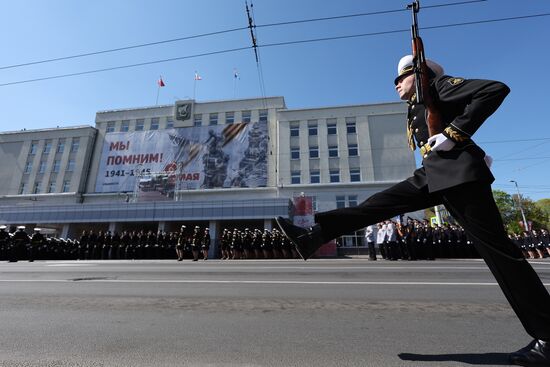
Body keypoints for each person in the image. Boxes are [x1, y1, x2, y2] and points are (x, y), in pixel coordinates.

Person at [276, 55, 550, 366]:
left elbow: (494, 89)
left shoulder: (440, 87)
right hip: (434, 175)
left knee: (501, 256)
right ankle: (314, 235)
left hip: (460, 179)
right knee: (378, 204)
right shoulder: (417, 105)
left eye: (402, 77)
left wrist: (453, 135)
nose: (395, 84)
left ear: (420, 76)